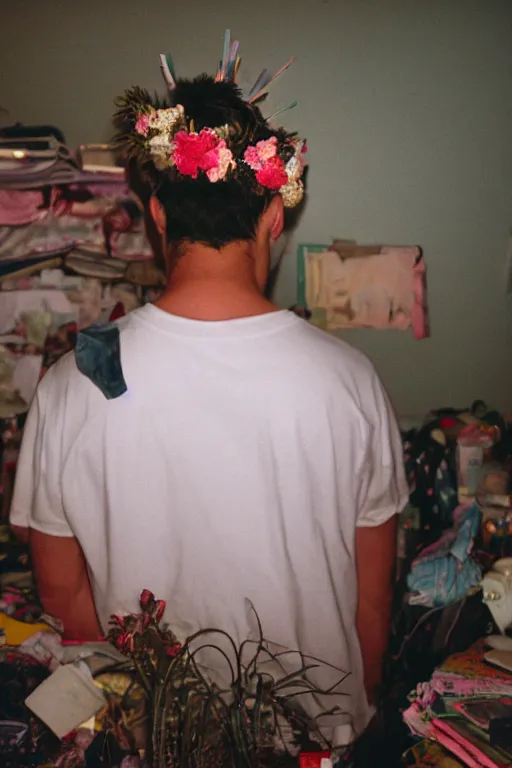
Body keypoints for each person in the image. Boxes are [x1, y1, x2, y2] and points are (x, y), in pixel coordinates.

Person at [10, 52, 408, 744]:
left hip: (147, 739)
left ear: (159, 214)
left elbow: (64, 600)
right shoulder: (351, 381)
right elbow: (371, 598)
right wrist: (362, 700)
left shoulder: (68, 383)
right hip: (319, 742)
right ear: (275, 219)